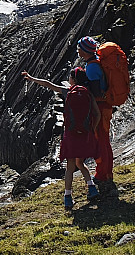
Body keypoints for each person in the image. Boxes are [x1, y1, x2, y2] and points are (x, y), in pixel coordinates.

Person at [22, 67, 101, 209]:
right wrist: (92, 129)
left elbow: (48, 84)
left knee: (70, 168)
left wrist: (32, 78)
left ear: (73, 79)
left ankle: (68, 197)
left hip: (70, 135)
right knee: (81, 163)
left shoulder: (68, 92)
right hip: (84, 134)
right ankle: (92, 188)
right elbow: (97, 113)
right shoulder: (88, 93)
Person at [77, 35, 115, 189]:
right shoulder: (96, 63)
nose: (78, 50)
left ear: (84, 51)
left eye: (79, 47)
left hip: (99, 108)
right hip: (106, 106)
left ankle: (102, 174)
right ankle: (107, 172)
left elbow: (96, 91)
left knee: (100, 142)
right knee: (105, 141)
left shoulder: (92, 67)